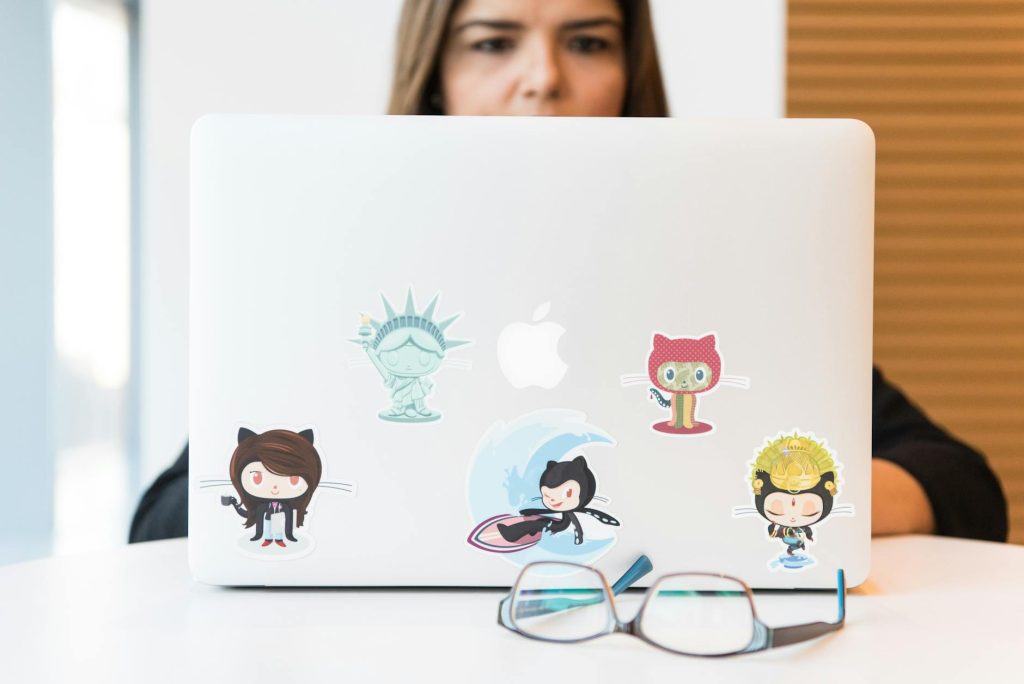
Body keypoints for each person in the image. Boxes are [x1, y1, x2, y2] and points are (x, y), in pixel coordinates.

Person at [130, 0, 1007, 544]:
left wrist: (758, 507)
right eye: (492, 41)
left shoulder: (713, 270)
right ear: (434, 76)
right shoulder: (354, 285)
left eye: (587, 41)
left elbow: (961, 486)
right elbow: (167, 516)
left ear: (630, 73)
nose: (542, 78)